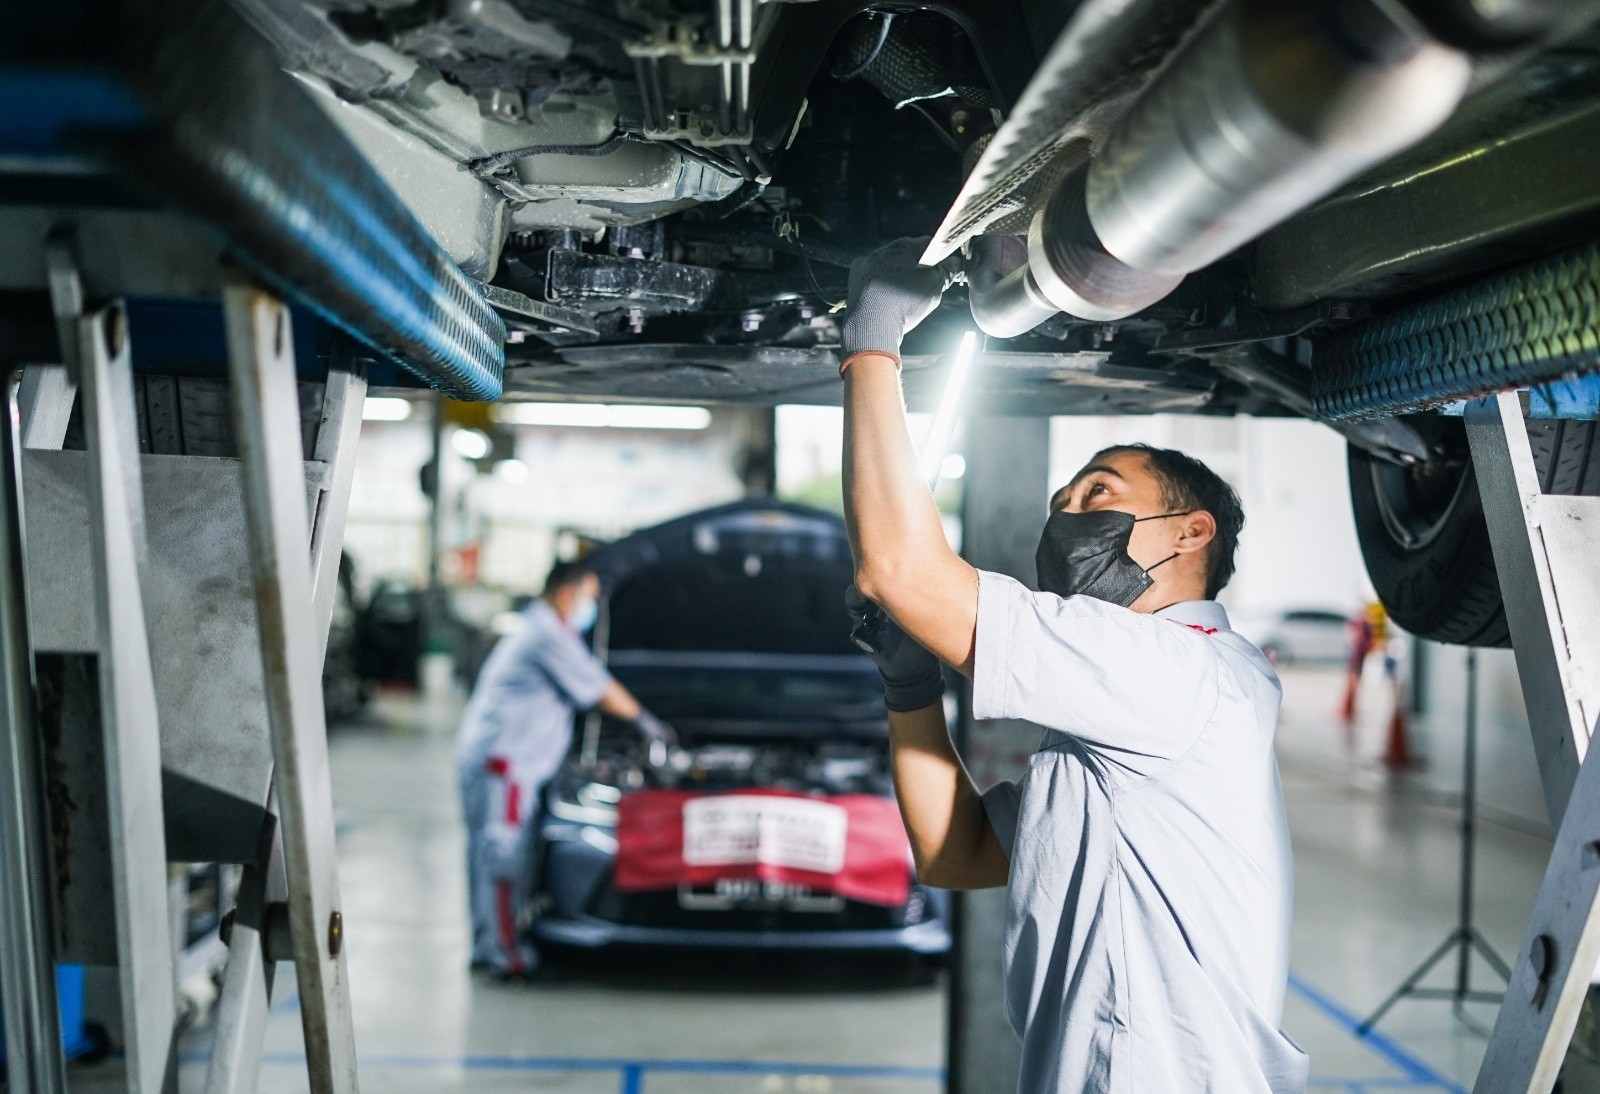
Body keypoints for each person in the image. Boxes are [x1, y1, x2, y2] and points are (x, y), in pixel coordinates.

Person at [838, 239, 1308, 1092]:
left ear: (1190, 532)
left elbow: (898, 570)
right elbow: (963, 855)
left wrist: (872, 341)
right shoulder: (1128, 715)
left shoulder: (1180, 674)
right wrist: (909, 687)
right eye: (1064, 503)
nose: (1069, 514)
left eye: (1100, 494)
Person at [456, 560, 673, 977]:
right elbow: (601, 689)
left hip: (497, 758)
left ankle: (487, 943)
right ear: (567, 593)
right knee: (503, 856)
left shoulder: (539, 628)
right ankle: (507, 956)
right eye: (590, 597)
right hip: (507, 763)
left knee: (487, 855)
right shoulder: (547, 635)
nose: (591, 606)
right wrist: (648, 723)